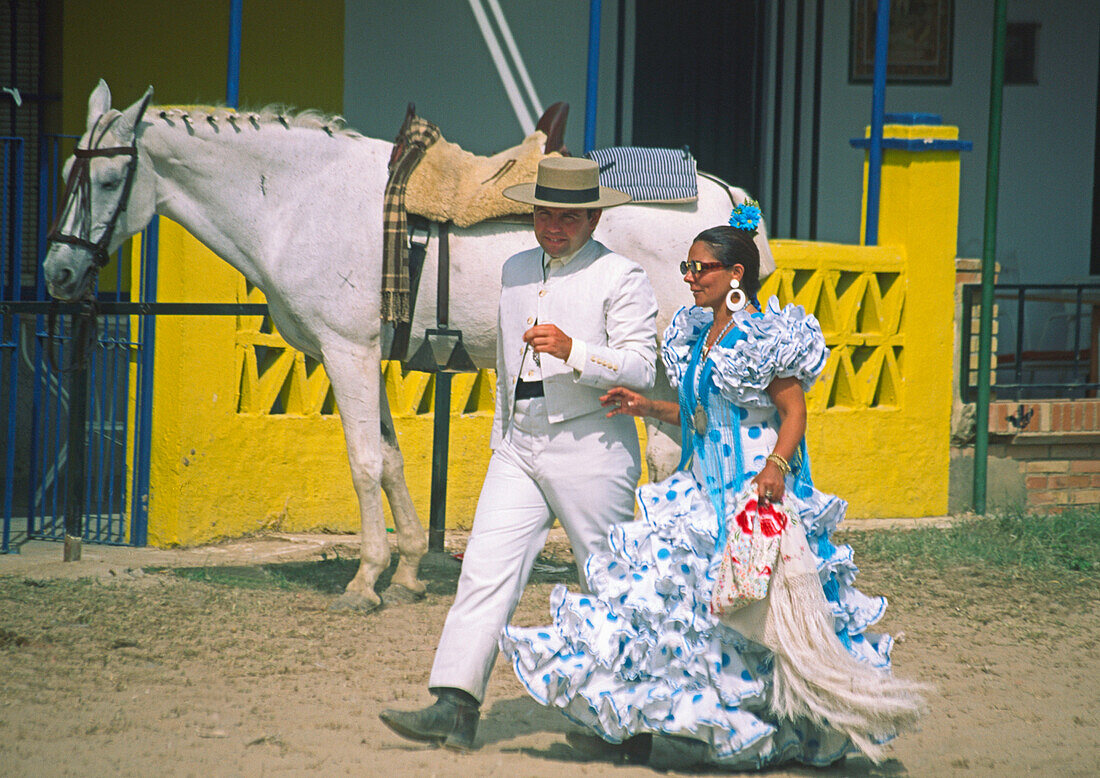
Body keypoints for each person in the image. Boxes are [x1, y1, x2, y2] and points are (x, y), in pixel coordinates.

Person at [498, 201, 926, 769]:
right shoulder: (699, 334)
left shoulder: (763, 335)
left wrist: (775, 465)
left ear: (735, 276)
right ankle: (688, 725)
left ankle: (769, 728)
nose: (691, 277)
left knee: (756, 617)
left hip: (755, 494)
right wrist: (645, 404)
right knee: (678, 610)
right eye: (688, 268)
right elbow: (701, 414)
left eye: (701, 268)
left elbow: (793, 412)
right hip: (700, 491)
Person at [379, 157, 659, 751]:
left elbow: (642, 366)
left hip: (592, 443)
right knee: (484, 568)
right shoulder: (513, 269)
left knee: (607, 577)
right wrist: (503, 436)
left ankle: (627, 719)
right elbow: (507, 363)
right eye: (543, 213)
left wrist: (574, 349)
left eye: (567, 216)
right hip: (518, 442)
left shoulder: (622, 276)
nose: (553, 225)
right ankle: (455, 704)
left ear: (593, 217)